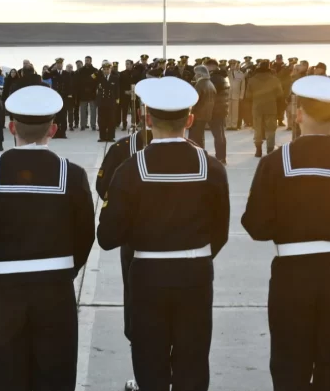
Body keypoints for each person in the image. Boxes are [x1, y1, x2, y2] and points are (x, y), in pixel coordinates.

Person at [242, 75, 330, 391]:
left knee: (290, 367)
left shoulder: (275, 163)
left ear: (298, 114)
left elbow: (255, 225)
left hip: (292, 279)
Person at [0, 85, 95, 391]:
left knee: (8, 378)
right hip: (56, 289)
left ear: (11, 128)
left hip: (6, 292)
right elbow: (86, 234)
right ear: (54, 129)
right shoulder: (71, 174)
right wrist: (65, 269)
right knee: (56, 377)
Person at [98, 76, 230, 391]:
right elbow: (220, 234)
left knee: (150, 363)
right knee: (193, 363)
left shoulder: (129, 170)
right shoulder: (212, 168)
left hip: (147, 276)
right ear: (190, 120)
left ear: (145, 117)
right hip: (196, 274)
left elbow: (107, 237)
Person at [96, 117, 155, 391]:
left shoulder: (122, 149)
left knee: (139, 315)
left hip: (137, 248)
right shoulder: (198, 155)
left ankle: (145, 381)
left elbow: (102, 188)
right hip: (186, 256)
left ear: (147, 117)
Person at [246, 60, 284, 157]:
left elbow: (248, 96)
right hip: (271, 107)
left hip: (257, 108)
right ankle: (270, 150)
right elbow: (280, 94)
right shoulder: (274, 79)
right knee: (270, 129)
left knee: (257, 129)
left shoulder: (252, 80)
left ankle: (258, 150)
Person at [43, 58, 73, 139]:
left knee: (63, 115)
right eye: (57, 64)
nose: (59, 65)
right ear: (56, 65)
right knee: (55, 116)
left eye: (60, 64)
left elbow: (69, 84)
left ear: (62, 65)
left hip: (64, 96)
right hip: (55, 97)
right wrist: (50, 67)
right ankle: (55, 133)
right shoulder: (53, 73)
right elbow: (44, 76)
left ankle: (63, 133)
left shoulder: (66, 73)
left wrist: (69, 95)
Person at [207, 59, 230, 164]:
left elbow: (211, 94)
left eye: (207, 67)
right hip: (222, 108)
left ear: (212, 66)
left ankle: (220, 157)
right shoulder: (222, 77)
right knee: (220, 134)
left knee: (218, 135)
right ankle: (222, 156)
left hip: (215, 109)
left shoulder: (214, 79)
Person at [190, 65, 216, 149]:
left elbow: (194, 101)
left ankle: (197, 157)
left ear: (200, 74)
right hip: (206, 115)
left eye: (196, 74)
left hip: (198, 115)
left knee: (194, 139)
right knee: (200, 138)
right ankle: (202, 154)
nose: (195, 76)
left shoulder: (200, 84)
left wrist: (188, 112)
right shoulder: (210, 83)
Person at [97, 60, 120, 143]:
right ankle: (102, 137)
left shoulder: (115, 78)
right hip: (102, 102)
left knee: (111, 120)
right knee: (101, 120)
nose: (106, 71)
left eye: (108, 69)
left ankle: (111, 136)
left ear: (110, 69)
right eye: (104, 69)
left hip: (111, 102)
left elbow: (117, 90)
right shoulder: (99, 78)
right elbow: (90, 80)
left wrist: (117, 100)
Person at [77, 56, 99, 131]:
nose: (87, 62)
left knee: (93, 111)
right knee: (82, 110)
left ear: (91, 61)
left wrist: (93, 89)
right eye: (86, 60)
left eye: (88, 60)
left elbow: (97, 82)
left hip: (92, 93)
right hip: (83, 93)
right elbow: (78, 82)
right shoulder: (80, 70)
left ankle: (93, 125)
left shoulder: (95, 70)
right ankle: (83, 125)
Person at [227, 60, 246, 130]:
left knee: (235, 111)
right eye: (231, 64)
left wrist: (241, 96)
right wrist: (228, 69)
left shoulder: (241, 74)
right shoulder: (227, 73)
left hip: (236, 94)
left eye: (234, 64)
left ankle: (234, 125)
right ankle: (228, 125)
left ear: (236, 64)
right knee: (228, 111)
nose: (232, 65)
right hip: (228, 94)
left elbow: (243, 87)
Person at [119, 60, 135, 131]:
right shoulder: (122, 73)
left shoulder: (136, 73)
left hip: (133, 94)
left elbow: (137, 83)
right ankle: (124, 125)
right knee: (124, 111)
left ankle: (133, 124)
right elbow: (120, 85)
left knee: (133, 110)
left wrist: (133, 91)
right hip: (125, 95)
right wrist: (124, 91)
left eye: (128, 64)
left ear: (132, 65)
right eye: (126, 64)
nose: (127, 65)